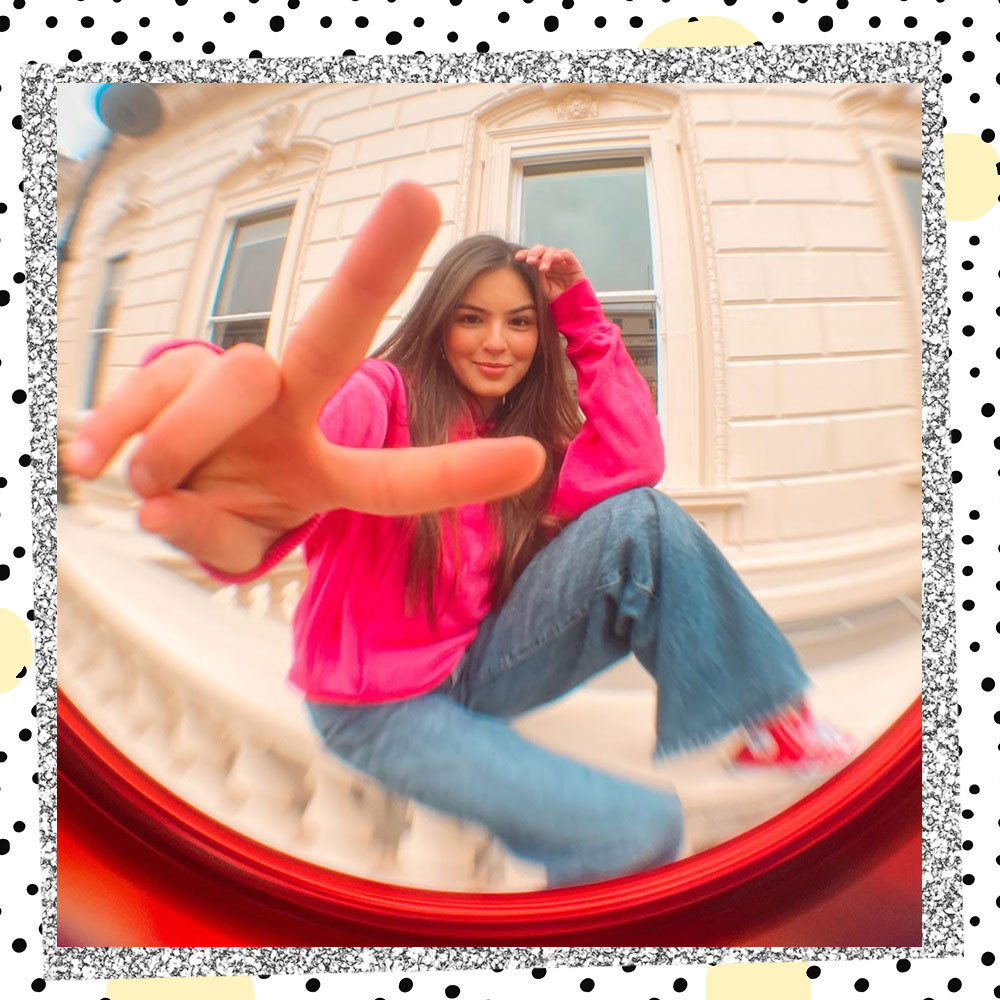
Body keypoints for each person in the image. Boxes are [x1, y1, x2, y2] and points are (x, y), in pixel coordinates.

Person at [66, 181, 856, 889]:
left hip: (480, 668)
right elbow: (294, 438)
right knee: (641, 829)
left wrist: (577, 311)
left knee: (641, 522)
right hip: (379, 707)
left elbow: (635, 465)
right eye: (471, 318)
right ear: (439, 324)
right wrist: (220, 429)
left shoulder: (516, 445)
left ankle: (770, 722)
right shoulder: (382, 394)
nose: (496, 342)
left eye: (519, 323)